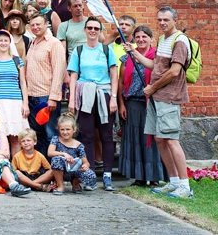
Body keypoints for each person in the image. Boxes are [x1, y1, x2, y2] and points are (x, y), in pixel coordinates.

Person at [125, 6, 193, 198]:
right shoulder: (163, 39)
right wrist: (134, 52)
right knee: (159, 139)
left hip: (169, 97)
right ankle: (173, 182)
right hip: (156, 98)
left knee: (171, 140)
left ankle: (185, 188)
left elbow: (174, 71)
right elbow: (155, 66)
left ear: (175, 20)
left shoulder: (179, 41)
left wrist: (152, 88)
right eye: (160, 20)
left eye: (166, 20)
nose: (162, 23)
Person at [68, 16, 118, 191]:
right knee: (87, 137)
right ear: (85, 29)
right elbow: (73, 76)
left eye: (96, 28)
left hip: (103, 94)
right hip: (85, 96)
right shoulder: (79, 50)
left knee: (106, 136)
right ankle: (89, 175)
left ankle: (107, 175)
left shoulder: (106, 49)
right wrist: (72, 99)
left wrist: (113, 97)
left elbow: (114, 75)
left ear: (100, 31)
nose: (92, 31)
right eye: (89, 27)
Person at [117, 25, 166, 187]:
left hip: (152, 103)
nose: (141, 40)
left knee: (151, 139)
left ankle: (154, 177)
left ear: (151, 38)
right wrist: (121, 104)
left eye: (144, 36)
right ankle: (138, 177)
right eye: (137, 37)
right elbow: (121, 83)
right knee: (135, 140)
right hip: (132, 104)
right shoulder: (127, 58)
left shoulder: (158, 56)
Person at [24, 14, 67, 158]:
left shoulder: (54, 44)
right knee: (38, 136)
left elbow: (59, 71)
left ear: (47, 24)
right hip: (32, 96)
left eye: (38, 24)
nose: (35, 27)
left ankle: (56, 173)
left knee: (51, 135)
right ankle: (43, 171)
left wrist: (54, 97)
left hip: (46, 97)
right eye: (32, 25)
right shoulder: (32, 43)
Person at [0, 29, 29, 157]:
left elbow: (23, 83)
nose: (3, 43)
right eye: (0, 40)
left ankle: (15, 169)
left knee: (15, 138)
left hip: (15, 102)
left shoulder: (17, 61)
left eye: (6, 40)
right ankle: (1, 167)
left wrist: (25, 103)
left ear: (10, 42)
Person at [48, 112, 97, 195]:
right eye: (62, 129)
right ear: (59, 130)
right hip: (61, 171)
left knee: (91, 175)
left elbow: (86, 162)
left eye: (68, 129)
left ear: (74, 130)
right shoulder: (55, 139)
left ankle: (75, 183)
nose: (65, 132)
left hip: (74, 171)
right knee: (56, 159)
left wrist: (85, 166)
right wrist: (64, 154)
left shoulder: (79, 145)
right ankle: (60, 185)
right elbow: (50, 153)